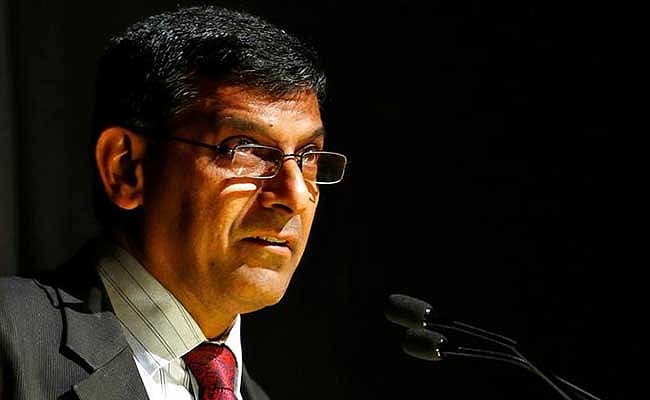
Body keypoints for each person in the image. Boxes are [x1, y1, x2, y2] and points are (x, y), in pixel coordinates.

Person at [0, 5, 346, 400]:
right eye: (245, 149)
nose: (295, 195)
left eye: (308, 156)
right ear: (126, 168)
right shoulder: (12, 342)